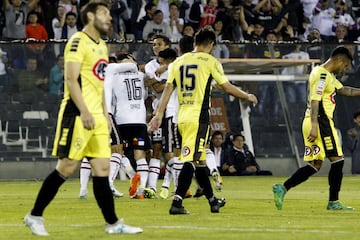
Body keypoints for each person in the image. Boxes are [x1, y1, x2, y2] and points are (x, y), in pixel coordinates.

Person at [23, 1, 143, 236]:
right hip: (77, 114)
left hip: (97, 117)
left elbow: (98, 84)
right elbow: (70, 79)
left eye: (109, 13)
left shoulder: (101, 45)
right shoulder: (78, 41)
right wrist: (86, 111)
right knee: (67, 167)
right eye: (104, 13)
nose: (109, 17)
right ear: (90, 16)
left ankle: (113, 223)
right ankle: (34, 216)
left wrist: (105, 113)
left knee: (102, 168)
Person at [149, 26, 258, 214]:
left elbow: (167, 90)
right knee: (191, 161)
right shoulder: (210, 61)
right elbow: (226, 87)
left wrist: (158, 115)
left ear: (195, 43)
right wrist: (247, 96)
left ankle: (212, 201)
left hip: (180, 119)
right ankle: (177, 203)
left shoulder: (178, 62)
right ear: (211, 44)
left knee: (199, 161)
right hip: (199, 119)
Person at [273, 46, 359, 211]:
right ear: (340, 60)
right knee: (338, 160)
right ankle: (333, 202)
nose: (344, 69)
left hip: (314, 121)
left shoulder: (328, 76)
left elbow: (344, 90)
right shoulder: (320, 74)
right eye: (345, 65)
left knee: (315, 164)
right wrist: (314, 125)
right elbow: (315, 100)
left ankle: (282, 188)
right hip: (320, 122)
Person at [347, 109, 360, 174]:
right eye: (359, 118)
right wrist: (354, 138)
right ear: (355, 120)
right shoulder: (351, 132)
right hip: (357, 162)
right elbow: (350, 148)